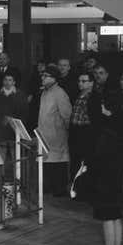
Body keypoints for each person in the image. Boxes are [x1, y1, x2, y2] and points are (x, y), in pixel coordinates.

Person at [86, 91, 123, 245]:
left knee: (106, 215)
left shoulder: (106, 127)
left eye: (103, 104)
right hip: (121, 177)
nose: (100, 107)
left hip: (106, 177)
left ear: (109, 107)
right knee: (116, 216)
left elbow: (99, 154)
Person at [38, 64, 72, 197]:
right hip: (45, 133)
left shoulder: (60, 93)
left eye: (46, 76)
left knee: (58, 162)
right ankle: (48, 186)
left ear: (54, 78)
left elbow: (67, 115)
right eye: (43, 75)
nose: (43, 78)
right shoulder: (45, 92)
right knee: (47, 162)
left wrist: (64, 131)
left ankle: (59, 189)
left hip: (57, 134)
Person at [0, 73, 28, 175]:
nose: (8, 82)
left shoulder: (20, 95)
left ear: (14, 82)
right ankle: (0, 180)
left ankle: (18, 180)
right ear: (3, 81)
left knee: (15, 157)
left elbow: (24, 112)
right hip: (1, 130)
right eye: (6, 80)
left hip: (14, 131)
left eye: (10, 80)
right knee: (0, 157)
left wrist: (13, 120)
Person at [69, 71, 101, 179]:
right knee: (75, 161)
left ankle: (85, 187)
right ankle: (75, 186)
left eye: (84, 81)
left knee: (87, 163)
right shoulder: (76, 95)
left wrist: (92, 135)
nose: (80, 83)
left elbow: (96, 119)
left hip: (87, 133)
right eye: (79, 81)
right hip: (75, 132)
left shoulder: (95, 97)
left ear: (91, 83)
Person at [26, 60, 46, 130]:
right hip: (34, 99)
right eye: (39, 66)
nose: (40, 67)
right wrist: (30, 95)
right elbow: (30, 87)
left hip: (43, 99)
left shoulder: (47, 76)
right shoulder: (34, 75)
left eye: (42, 66)